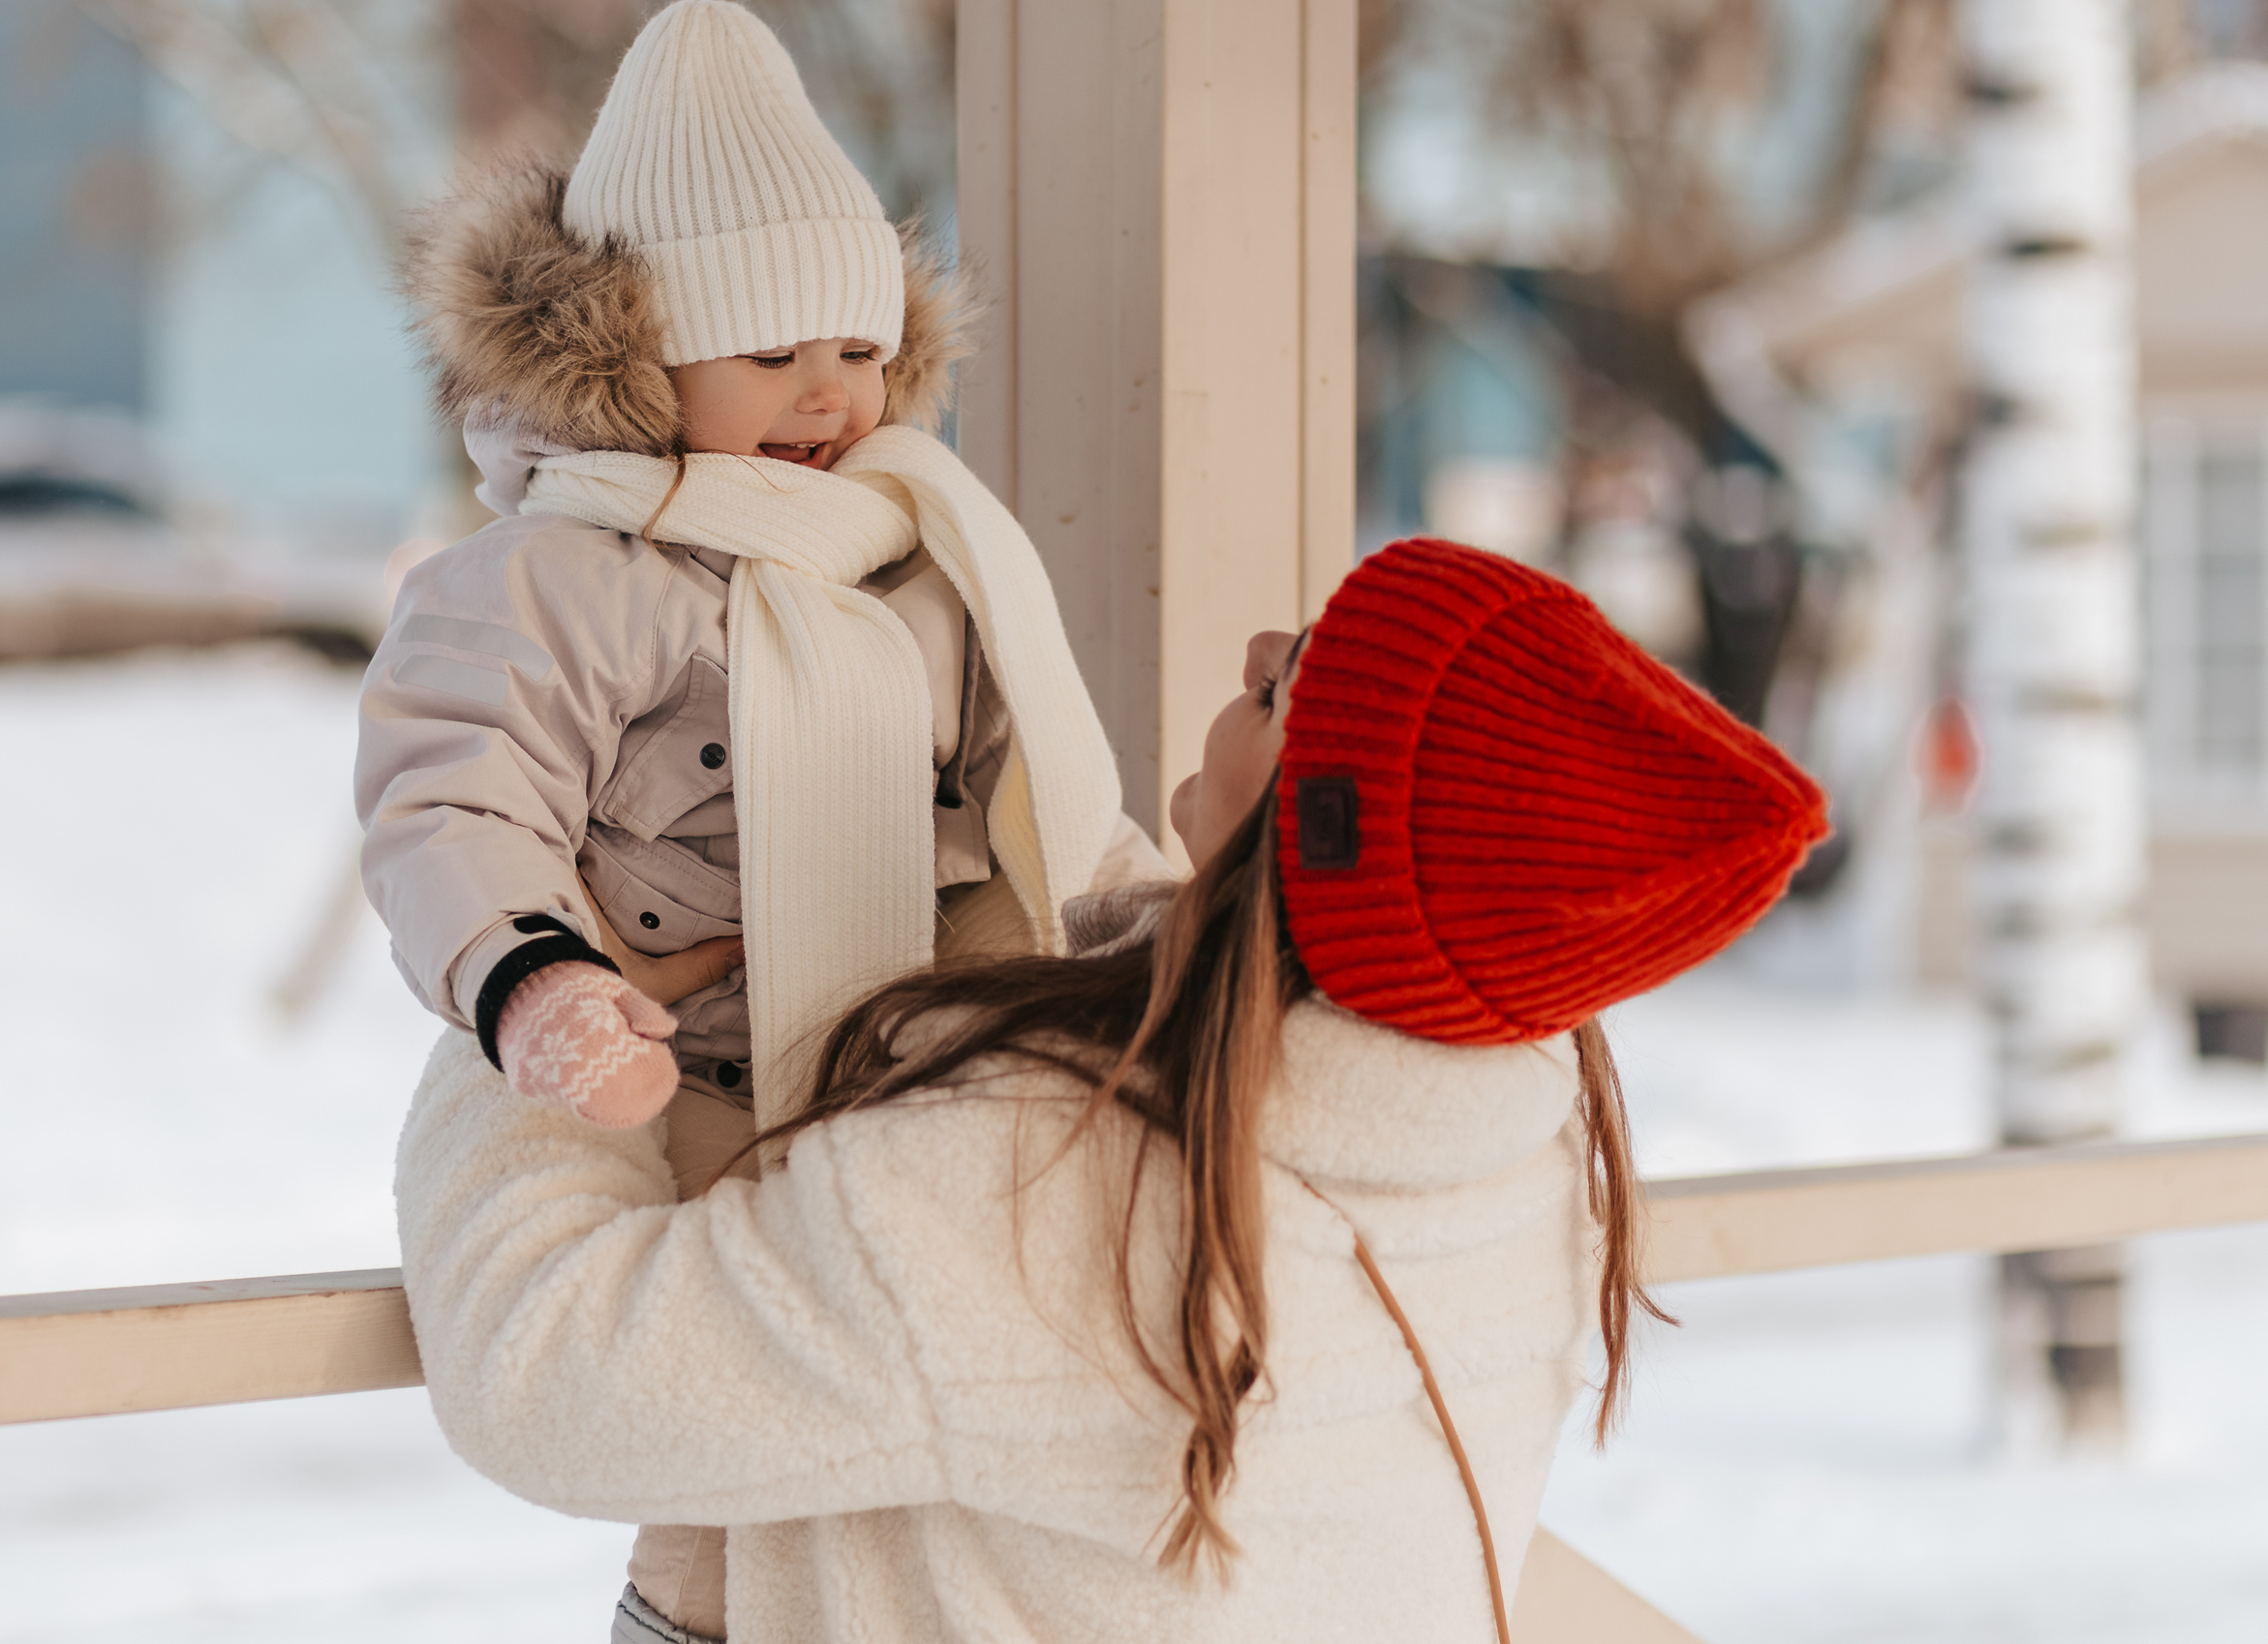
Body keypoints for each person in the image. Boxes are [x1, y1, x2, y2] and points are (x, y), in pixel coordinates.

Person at [394, 537, 1829, 1644]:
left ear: (1302, 832)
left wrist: (536, 1003)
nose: (1260, 645)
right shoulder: (1509, 1143)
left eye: (1291, 681)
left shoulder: (1056, 1183)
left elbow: (550, 1367)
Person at [358, 0, 1166, 1632]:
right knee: (727, 1469)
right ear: (645, 360)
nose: (828, 392)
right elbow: (454, 793)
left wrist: (1156, 935)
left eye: (861, 350)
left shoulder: (923, 550)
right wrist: (534, 980)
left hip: (901, 1066)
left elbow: (1044, 789)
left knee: (930, 1444)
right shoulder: (564, 574)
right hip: (687, 1073)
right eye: (772, 350)